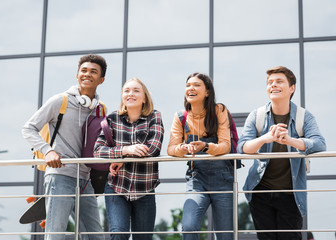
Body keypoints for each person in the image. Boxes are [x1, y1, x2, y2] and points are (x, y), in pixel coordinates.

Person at [22, 54, 107, 240]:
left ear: (101, 79)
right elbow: (28, 128)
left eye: (93, 71)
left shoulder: (100, 109)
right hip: (60, 176)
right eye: (83, 71)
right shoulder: (60, 101)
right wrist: (48, 150)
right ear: (77, 75)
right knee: (56, 234)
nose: (87, 74)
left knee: (96, 236)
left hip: (86, 180)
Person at [237, 66, 326, 240]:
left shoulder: (304, 117)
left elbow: (320, 143)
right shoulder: (257, 115)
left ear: (291, 88)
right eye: (270, 82)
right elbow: (242, 147)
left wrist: (290, 140)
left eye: (279, 81)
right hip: (260, 192)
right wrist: (266, 138)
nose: (273, 85)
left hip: (291, 194)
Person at [94, 78, 164, 240]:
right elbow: (98, 151)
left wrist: (122, 158)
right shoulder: (112, 119)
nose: (130, 94)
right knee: (118, 233)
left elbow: (153, 149)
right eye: (127, 91)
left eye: (136, 90)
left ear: (144, 98)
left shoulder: (154, 117)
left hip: (144, 189)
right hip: (116, 187)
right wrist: (126, 150)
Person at [167, 73, 233, 240]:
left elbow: (226, 146)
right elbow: (171, 149)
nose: (191, 88)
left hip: (223, 180)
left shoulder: (219, 110)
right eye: (188, 85)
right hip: (197, 179)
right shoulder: (181, 117)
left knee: (225, 235)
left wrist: (205, 147)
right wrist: (183, 148)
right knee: (189, 226)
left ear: (207, 92)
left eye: (196, 85)